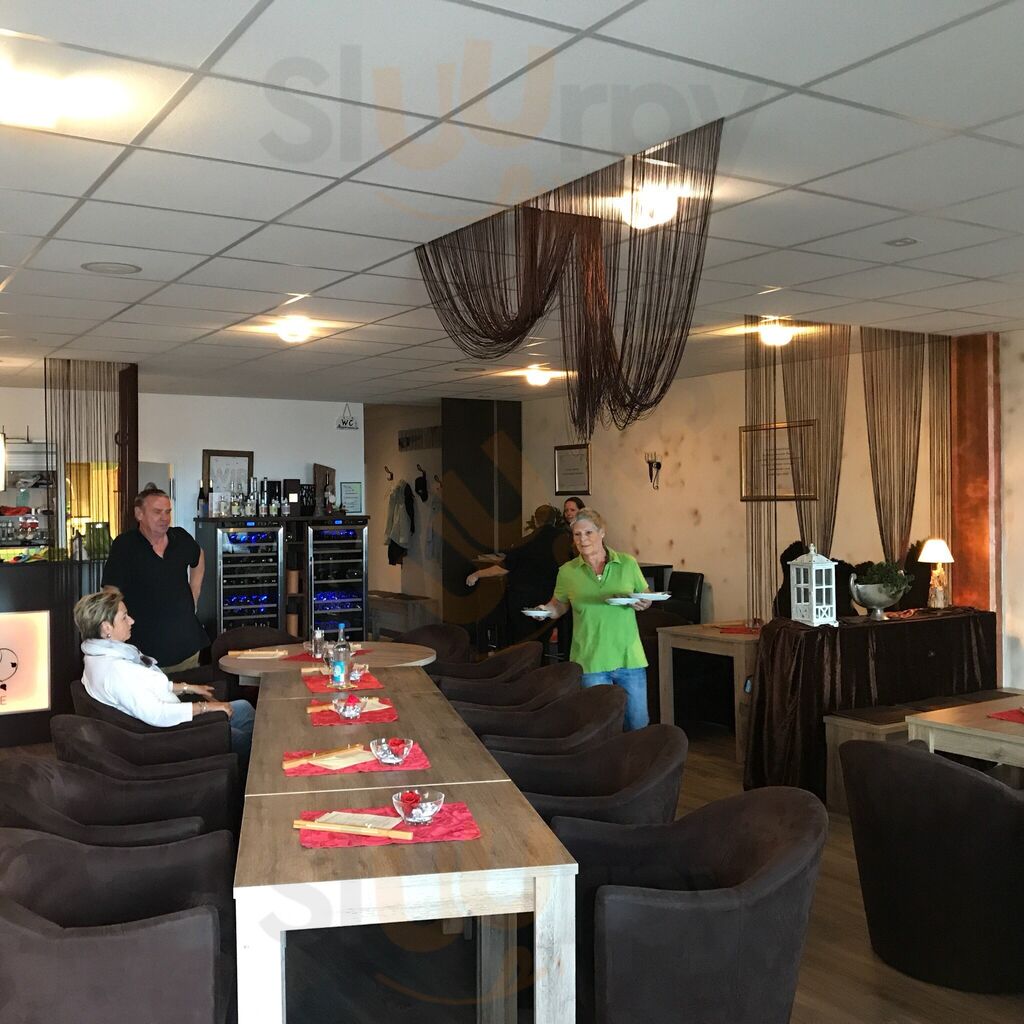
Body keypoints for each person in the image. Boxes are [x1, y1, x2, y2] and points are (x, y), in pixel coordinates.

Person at [74, 586, 254, 768]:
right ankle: (251, 779)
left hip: (168, 725)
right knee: (247, 738)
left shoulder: (97, 658)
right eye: (124, 617)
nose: (132, 621)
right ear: (106, 627)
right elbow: (158, 714)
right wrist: (206, 707)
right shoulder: (116, 670)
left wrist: (188, 688)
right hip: (173, 735)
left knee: (244, 708)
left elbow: (145, 686)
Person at [535, 507, 652, 730]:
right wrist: (545, 610)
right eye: (577, 534)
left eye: (588, 532)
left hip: (629, 658)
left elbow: (645, 595)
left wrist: (644, 602)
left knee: (637, 725)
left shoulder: (627, 563)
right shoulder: (567, 571)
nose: (583, 539)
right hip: (590, 660)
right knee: (598, 727)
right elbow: (559, 604)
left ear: (602, 532)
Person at [102, 487, 209, 674]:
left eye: (168, 512)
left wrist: (195, 592)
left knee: (189, 691)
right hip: (143, 651)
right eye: (157, 512)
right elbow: (111, 591)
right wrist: (117, 627)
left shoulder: (180, 537)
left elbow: (198, 555)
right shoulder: (125, 545)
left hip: (186, 646)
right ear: (139, 514)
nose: (164, 518)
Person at [466, 504, 572, 643]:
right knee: (543, 638)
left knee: (524, 639)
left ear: (535, 520)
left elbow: (502, 568)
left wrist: (477, 574)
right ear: (555, 520)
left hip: (523, 598)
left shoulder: (525, 542)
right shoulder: (565, 542)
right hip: (552, 597)